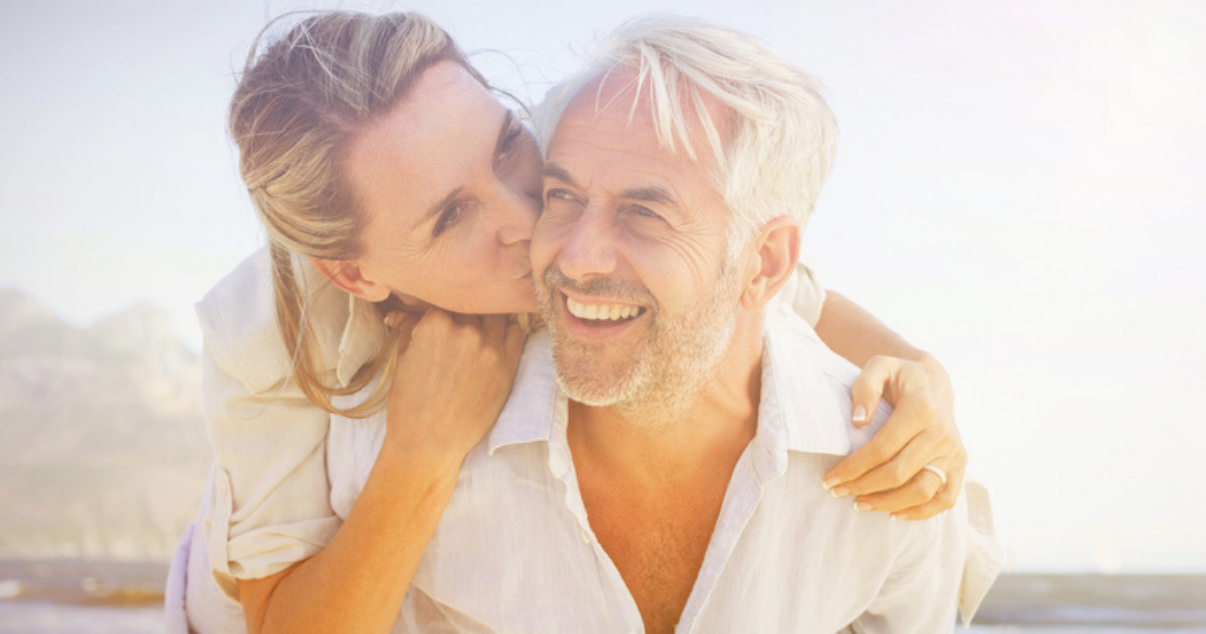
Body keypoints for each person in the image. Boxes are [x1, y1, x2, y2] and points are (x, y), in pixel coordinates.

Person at [164, 11, 983, 634]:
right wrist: (422, 452)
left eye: (509, 150)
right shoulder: (276, 332)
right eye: (452, 216)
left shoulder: (578, 170)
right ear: (358, 273)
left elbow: (775, 288)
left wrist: (925, 381)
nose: (532, 220)